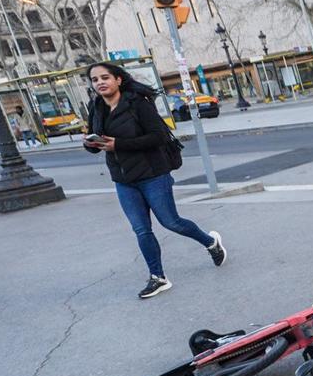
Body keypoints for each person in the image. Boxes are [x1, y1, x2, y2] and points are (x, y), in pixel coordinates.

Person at [83, 62, 226, 299]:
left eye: (105, 77)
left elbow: (158, 136)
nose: (100, 83)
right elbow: (99, 146)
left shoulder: (137, 103)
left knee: (172, 222)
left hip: (153, 175)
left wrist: (118, 144)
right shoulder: (96, 106)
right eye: (95, 79)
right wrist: (90, 144)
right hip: (123, 180)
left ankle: (211, 243)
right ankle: (158, 277)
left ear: (118, 80)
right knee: (141, 230)